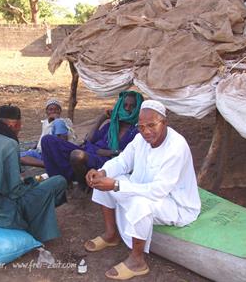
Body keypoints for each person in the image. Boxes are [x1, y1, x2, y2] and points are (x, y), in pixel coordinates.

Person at [84, 100, 201, 280]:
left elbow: (158, 191)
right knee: (103, 182)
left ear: (165, 123)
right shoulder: (140, 139)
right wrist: (102, 172)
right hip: (141, 187)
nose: (146, 131)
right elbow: (123, 162)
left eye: (152, 125)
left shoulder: (176, 147)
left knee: (140, 203)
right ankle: (111, 235)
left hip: (175, 204)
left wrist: (116, 185)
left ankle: (137, 261)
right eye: (141, 126)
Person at [0, 104, 68, 243]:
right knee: (59, 181)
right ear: (13, 124)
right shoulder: (9, 144)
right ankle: (35, 224)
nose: (20, 129)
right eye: (19, 126)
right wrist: (32, 183)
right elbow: (14, 191)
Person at [41, 91, 144, 191]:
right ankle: (62, 181)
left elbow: (125, 155)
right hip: (90, 151)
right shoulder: (110, 126)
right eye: (124, 105)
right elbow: (89, 140)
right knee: (47, 140)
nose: (127, 109)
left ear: (138, 109)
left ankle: (82, 185)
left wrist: (106, 152)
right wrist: (102, 119)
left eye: (132, 106)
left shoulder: (136, 132)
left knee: (77, 155)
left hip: (105, 161)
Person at [20, 99, 74, 168]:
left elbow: (62, 143)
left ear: (60, 111)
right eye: (50, 109)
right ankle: (45, 163)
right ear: (46, 111)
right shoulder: (45, 122)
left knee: (21, 158)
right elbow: (44, 135)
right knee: (16, 157)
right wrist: (37, 146)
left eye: (56, 109)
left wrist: (57, 119)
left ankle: (48, 164)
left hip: (51, 155)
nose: (53, 111)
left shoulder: (60, 122)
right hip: (40, 152)